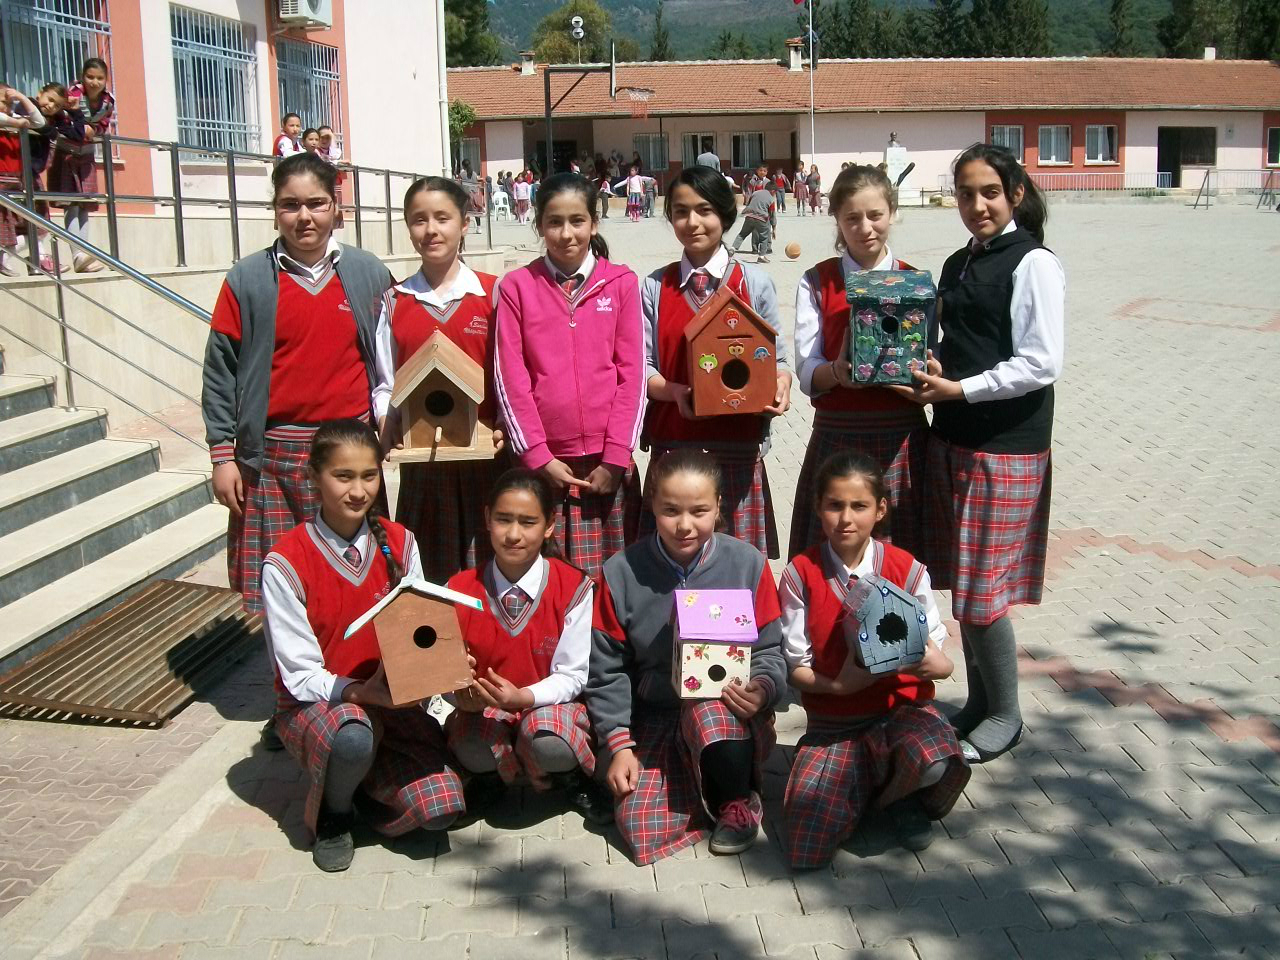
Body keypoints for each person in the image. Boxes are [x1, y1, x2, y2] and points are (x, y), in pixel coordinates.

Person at [905, 143, 1064, 765]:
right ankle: (977, 704)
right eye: (966, 194)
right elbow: (964, 339)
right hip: (954, 438)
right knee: (967, 584)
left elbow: (1041, 362)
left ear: (1015, 194)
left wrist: (961, 388)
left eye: (989, 193)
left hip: (1004, 447)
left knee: (982, 593)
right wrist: (940, 367)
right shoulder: (959, 262)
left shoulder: (1034, 264)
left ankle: (1005, 715)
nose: (977, 206)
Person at [263, 419, 465, 872]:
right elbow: (298, 673)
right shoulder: (285, 563)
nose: (358, 491)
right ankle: (335, 815)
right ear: (313, 477)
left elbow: (419, 635)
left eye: (369, 476)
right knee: (354, 736)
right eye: (343, 476)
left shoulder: (401, 542)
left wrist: (449, 670)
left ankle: (369, 794)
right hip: (325, 707)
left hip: (394, 701)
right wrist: (362, 692)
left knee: (443, 810)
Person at [202, 152, 394, 614]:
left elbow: (393, 357)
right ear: (275, 210)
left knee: (356, 576)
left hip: (349, 450)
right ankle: (293, 681)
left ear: (336, 208)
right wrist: (223, 454)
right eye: (290, 205)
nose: (304, 216)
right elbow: (220, 370)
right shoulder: (247, 280)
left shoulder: (369, 274)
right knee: (283, 582)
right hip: (272, 456)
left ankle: (353, 674)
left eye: (316, 203)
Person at [586, 449, 786, 864]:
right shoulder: (621, 572)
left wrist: (763, 690)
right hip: (654, 713)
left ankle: (736, 798)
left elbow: (769, 649)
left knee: (711, 714)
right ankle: (689, 784)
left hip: (727, 712)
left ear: (718, 507)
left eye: (698, 511)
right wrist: (618, 744)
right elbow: (607, 668)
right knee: (640, 831)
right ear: (652, 507)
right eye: (670, 510)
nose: (684, 525)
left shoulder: (748, 564)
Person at [780, 451, 969, 868]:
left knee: (935, 758)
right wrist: (840, 686)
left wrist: (924, 661)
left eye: (859, 506)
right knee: (806, 842)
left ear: (880, 509)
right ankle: (860, 788)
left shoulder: (907, 568)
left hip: (900, 711)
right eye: (834, 505)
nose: (846, 518)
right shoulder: (800, 573)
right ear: (818, 507)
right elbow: (795, 666)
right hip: (835, 721)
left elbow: (941, 662)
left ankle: (899, 798)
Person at [493, 172, 644, 577]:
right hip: (545, 463)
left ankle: (611, 644)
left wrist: (616, 457)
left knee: (615, 581)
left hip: (607, 467)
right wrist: (537, 455)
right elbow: (511, 378)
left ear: (594, 223)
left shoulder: (621, 283)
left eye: (577, 220)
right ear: (538, 224)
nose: (566, 233)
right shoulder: (517, 288)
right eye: (554, 221)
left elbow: (634, 377)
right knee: (549, 581)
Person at [444, 468, 613, 825]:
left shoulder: (574, 587)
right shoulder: (458, 588)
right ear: (487, 518)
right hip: (487, 711)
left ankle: (570, 778)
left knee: (549, 740)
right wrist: (457, 693)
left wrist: (523, 698)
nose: (514, 534)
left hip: (550, 707)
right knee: (470, 745)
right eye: (504, 520)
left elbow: (574, 675)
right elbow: (440, 672)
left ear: (550, 525)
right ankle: (490, 780)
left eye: (528, 522)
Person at [640, 166, 791, 558]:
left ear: (725, 214)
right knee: (670, 572)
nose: (692, 222)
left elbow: (778, 358)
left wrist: (781, 384)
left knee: (736, 573)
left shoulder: (753, 283)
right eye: (680, 211)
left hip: (737, 450)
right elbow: (644, 367)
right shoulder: (656, 287)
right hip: (675, 447)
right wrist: (675, 393)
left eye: (704, 210)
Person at [789, 164, 927, 560]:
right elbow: (806, 368)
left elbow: (934, 359)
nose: (865, 227)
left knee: (899, 559)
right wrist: (837, 373)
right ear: (836, 219)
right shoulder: (818, 280)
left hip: (901, 433)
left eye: (875, 215)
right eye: (852, 218)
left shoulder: (915, 281)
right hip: (839, 431)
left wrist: (926, 381)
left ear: (892, 213)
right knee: (832, 558)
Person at [373, 176, 501, 583]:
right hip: (423, 461)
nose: (431, 230)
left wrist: (502, 427)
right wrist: (385, 419)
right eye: (419, 220)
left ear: (464, 223)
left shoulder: (493, 294)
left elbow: (510, 374)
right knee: (428, 568)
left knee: (489, 565)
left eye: (442, 218)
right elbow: (384, 379)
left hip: (485, 459)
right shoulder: (396, 301)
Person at [50, 58, 112, 273]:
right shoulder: (73, 95)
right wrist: (80, 127)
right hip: (66, 154)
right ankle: (77, 253)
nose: (95, 82)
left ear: (105, 80)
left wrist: (94, 131)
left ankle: (82, 253)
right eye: (90, 77)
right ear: (83, 77)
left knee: (85, 204)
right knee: (71, 205)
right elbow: (61, 116)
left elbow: (104, 125)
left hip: (86, 156)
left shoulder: (108, 102)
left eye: (100, 78)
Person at [0, 85, 45, 277]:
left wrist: (21, 97)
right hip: (2, 181)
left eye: (11, 103)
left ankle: (5, 256)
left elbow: (39, 121)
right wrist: (14, 123)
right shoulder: (8, 121)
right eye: (4, 102)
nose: (9, 107)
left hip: (18, 182)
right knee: (7, 229)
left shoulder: (14, 120)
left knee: (38, 228)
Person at [729, 183, 776, 262]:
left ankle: (733, 248)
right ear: (773, 191)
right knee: (764, 238)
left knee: (742, 234)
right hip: (761, 219)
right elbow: (772, 215)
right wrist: (774, 228)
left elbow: (749, 204)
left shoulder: (755, 193)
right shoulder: (771, 199)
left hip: (749, 216)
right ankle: (761, 256)